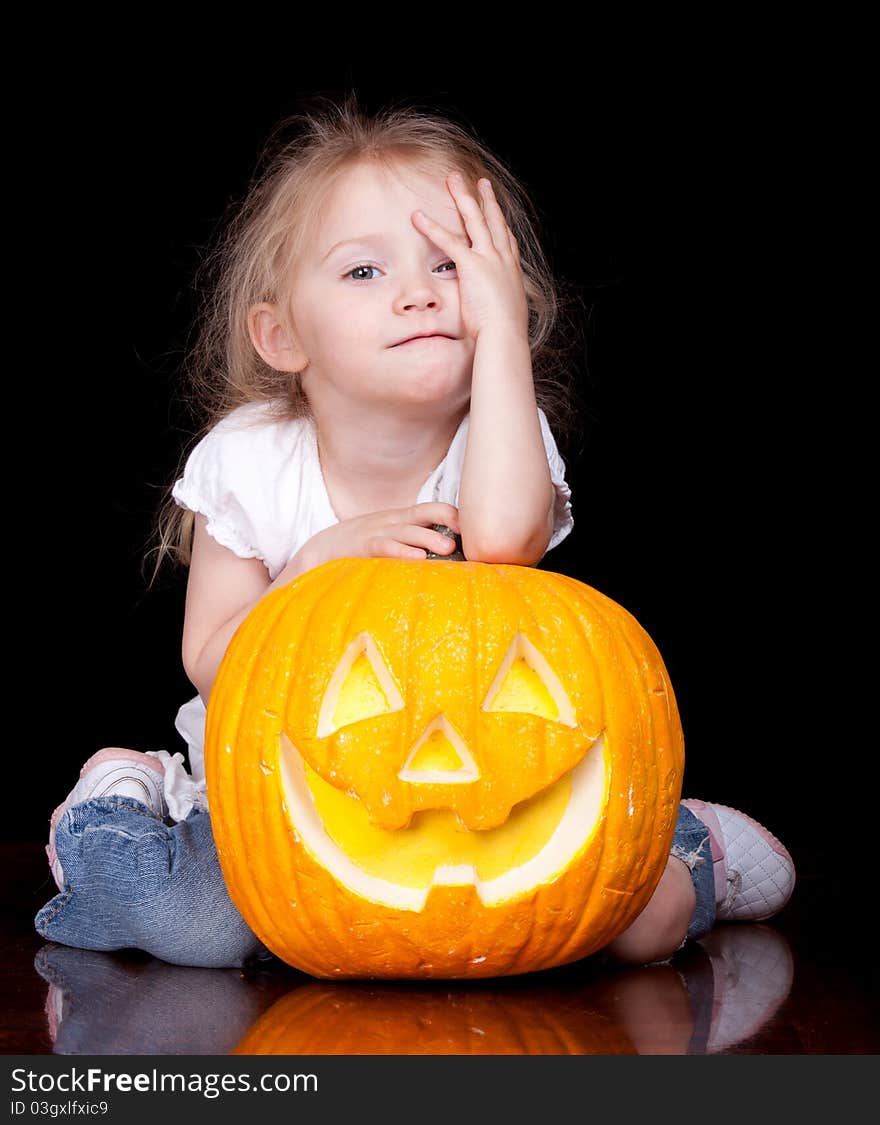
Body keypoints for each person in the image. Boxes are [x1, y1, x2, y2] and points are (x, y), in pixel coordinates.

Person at [35, 94, 795, 970]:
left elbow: (507, 543)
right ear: (280, 333)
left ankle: (690, 844)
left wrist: (501, 328)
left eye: (449, 266)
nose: (418, 294)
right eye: (364, 272)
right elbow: (210, 655)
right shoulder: (248, 459)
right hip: (274, 806)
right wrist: (311, 570)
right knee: (201, 930)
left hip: (487, 797)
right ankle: (117, 799)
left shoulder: (498, 434)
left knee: (643, 927)